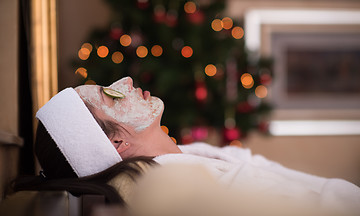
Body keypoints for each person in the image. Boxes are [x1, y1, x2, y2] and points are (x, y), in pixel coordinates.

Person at [6, 76, 360, 215]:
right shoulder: (197, 190)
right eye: (111, 94)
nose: (126, 80)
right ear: (116, 140)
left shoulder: (192, 157)